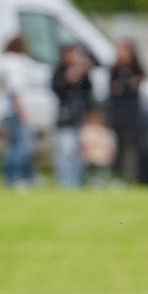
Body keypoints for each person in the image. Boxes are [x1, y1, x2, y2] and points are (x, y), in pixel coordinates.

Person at [51, 44, 93, 188]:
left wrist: (85, 72)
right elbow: (60, 88)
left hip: (80, 117)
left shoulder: (84, 73)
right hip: (66, 118)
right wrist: (74, 73)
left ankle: (78, 181)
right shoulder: (60, 72)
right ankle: (67, 182)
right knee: (66, 150)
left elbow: (88, 91)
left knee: (80, 151)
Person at [0, 35, 36, 188]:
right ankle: (15, 179)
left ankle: (17, 177)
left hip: (2, 111)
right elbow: (16, 90)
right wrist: (23, 112)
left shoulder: (0, 61)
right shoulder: (15, 63)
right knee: (22, 146)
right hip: (14, 110)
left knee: (12, 146)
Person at [108, 40, 145, 183]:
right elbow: (114, 90)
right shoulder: (114, 71)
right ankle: (119, 177)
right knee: (120, 147)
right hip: (118, 114)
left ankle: (137, 177)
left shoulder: (137, 71)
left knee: (135, 146)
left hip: (133, 114)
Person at [79, 108, 117, 186]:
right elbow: (84, 145)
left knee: (103, 162)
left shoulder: (106, 132)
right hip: (90, 156)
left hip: (103, 156)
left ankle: (101, 181)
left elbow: (110, 145)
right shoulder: (87, 131)